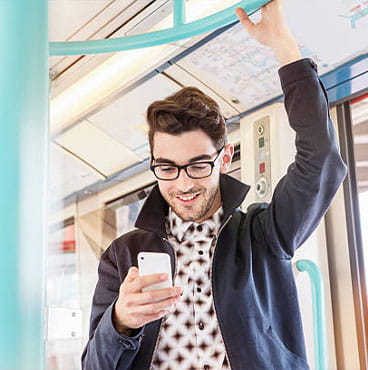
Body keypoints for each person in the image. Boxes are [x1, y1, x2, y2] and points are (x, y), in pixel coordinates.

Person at [82, 1, 347, 369]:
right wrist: (120, 323)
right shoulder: (122, 255)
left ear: (224, 159)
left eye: (198, 165)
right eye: (167, 168)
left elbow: (321, 160)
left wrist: (286, 49)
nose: (183, 183)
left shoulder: (264, 234)